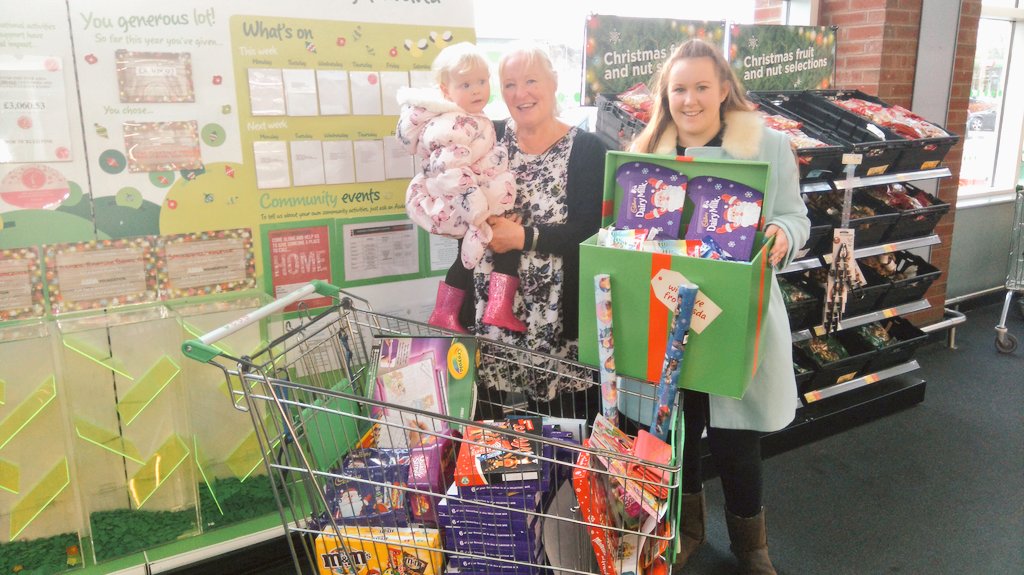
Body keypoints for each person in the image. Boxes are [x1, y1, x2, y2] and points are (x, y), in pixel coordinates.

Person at [630, 38, 810, 574]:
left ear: (724, 89)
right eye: (679, 88)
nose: (690, 100)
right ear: (667, 93)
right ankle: (687, 531)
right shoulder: (647, 153)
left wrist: (782, 232)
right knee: (678, 432)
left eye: (702, 87)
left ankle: (752, 547)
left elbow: (796, 216)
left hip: (736, 317)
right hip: (669, 317)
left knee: (737, 438)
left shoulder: (768, 147)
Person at [460, 42, 609, 409]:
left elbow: (591, 232)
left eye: (531, 80)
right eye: (509, 84)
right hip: (489, 306)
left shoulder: (588, 149)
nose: (521, 93)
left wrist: (524, 237)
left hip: (556, 316)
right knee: (490, 424)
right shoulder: (487, 138)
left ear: (553, 82)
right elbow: (455, 193)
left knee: (561, 426)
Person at [396, 42, 525, 334]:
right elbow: (451, 171)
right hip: (465, 202)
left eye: (482, 81)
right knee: (495, 247)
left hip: (471, 198)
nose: (477, 89)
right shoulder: (451, 125)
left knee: (472, 256)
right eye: (466, 84)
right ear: (445, 90)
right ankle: (494, 308)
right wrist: (478, 211)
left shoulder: (469, 118)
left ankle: (468, 311)